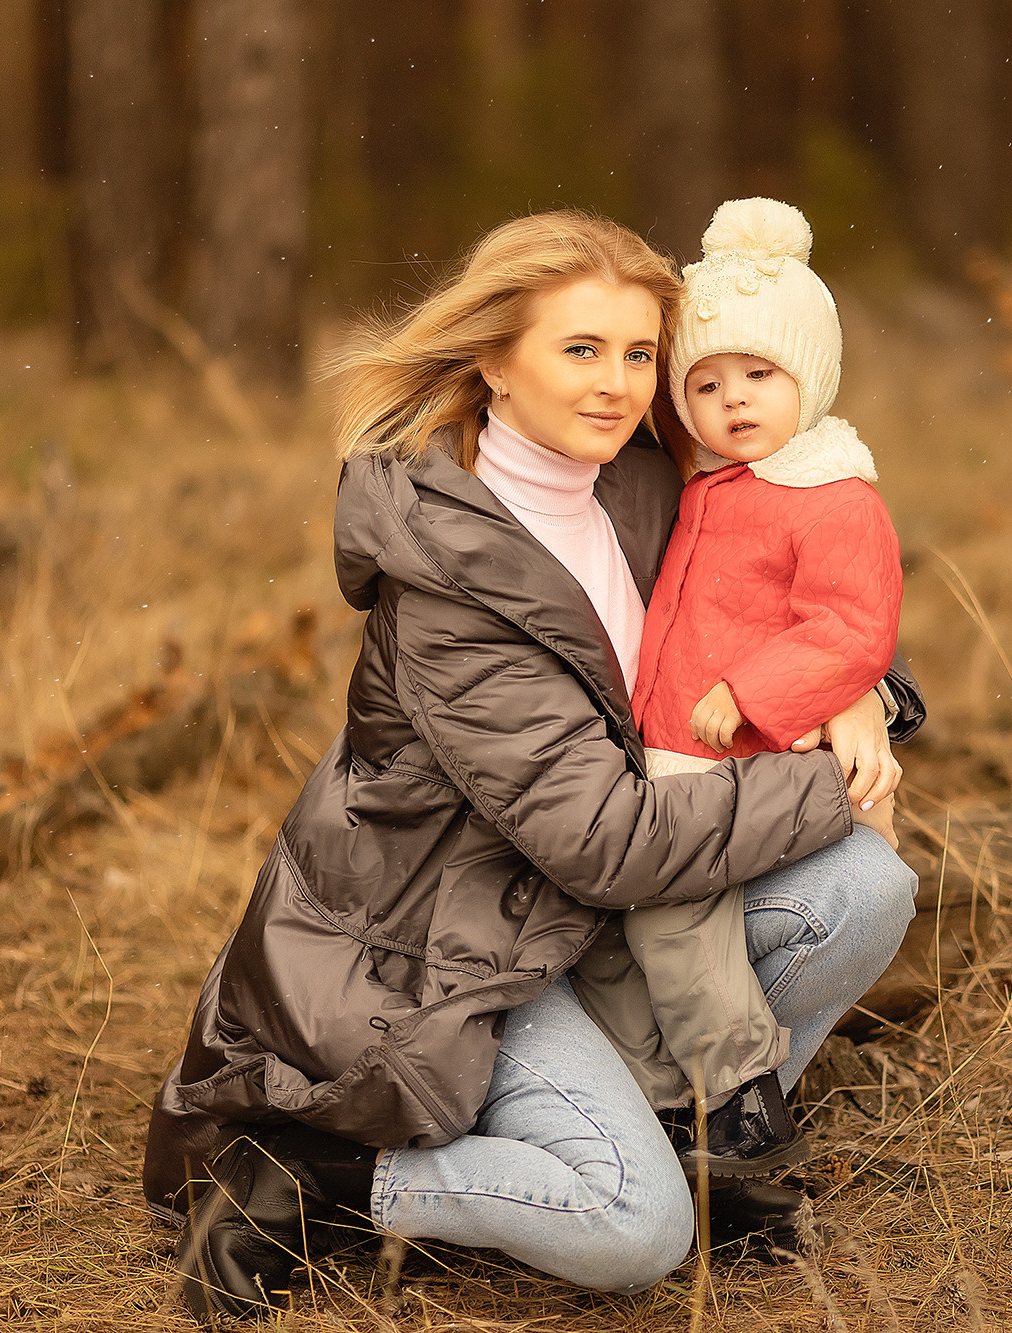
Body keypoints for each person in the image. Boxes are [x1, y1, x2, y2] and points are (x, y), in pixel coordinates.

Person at [143, 210, 922, 1323]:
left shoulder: (644, 487)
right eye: (578, 350)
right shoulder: (446, 573)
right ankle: (307, 1181)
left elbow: (802, 608)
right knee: (631, 1228)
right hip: (456, 954)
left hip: (582, 914)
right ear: (492, 363)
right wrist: (830, 781)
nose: (615, 384)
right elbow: (605, 844)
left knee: (865, 890)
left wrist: (864, 694)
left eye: (639, 354)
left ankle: (697, 1134)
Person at [569, 199, 902, 1182]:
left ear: (813, 376)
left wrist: (761, 692)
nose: (735, 401)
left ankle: (739, 1096)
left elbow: (850, 624)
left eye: (760, 375)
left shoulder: (826, 490)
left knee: (673, 913)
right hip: (669, 753)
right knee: (649, 930)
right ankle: (673, 1106)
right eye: (706, 383)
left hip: (731, 755)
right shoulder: (712, 480)